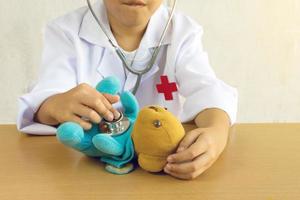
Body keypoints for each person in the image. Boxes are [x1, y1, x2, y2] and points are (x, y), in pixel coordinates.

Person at [17, 0, 238, 180]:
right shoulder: (65, 32)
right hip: (88, 174)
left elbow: (207, 89)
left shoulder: (182, 32)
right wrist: (54, 104)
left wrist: (217, 132)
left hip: (159, 171)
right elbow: (44, 100)